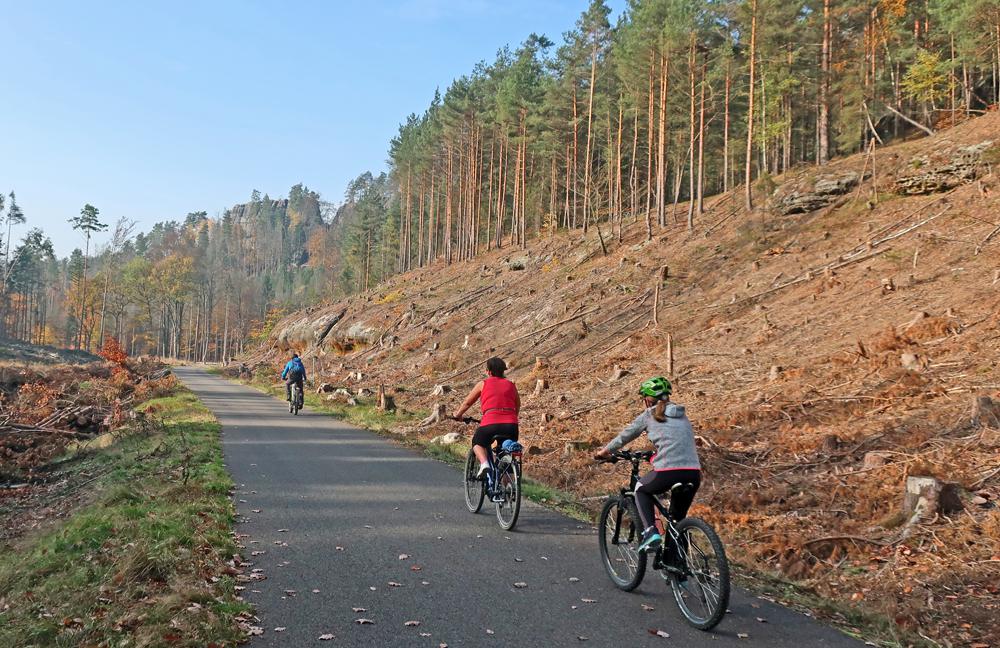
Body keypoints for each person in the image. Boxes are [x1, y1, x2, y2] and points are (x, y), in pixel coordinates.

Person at [594, 376, 701, 553]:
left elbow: (625, 436)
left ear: (647, 399)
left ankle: (651, 532)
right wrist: (654, 456)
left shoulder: (649, 415)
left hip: (669, 471)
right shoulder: (682, 415)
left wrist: (605, 452)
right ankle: (677, 570)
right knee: (677, 520)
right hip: (693, 472)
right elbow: (677, 444)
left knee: (641, 489)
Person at [452, 357, 520, 478]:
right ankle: (509, 492)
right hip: (511, 425)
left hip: (490, 423)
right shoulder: (511, 385)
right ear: (503, 371)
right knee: (506, 454)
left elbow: (467, 403)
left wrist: (458, 415)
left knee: (477, 442)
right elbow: (517, 405)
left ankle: (484, 464)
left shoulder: (483, 384)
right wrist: (511, 419)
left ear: (488, 371)